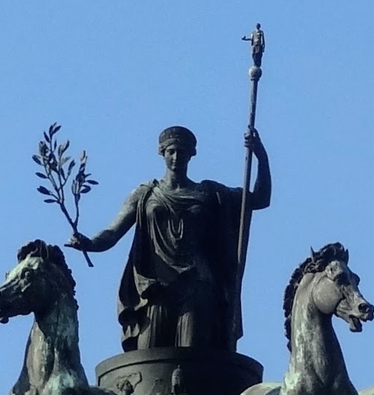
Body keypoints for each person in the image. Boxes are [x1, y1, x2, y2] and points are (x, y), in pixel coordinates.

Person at [67, 126, 270, 350]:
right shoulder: (146, 194)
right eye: (171, 151)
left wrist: (260, 156)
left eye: (182, 152)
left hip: (198, 285)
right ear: (161, 152)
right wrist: (89, 243)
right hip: (156, 289)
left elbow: (260, 199)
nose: (176, 157)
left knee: (192, 359)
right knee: (147, 356)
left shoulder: (210, 194)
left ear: (192, 154)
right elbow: (113, 232)